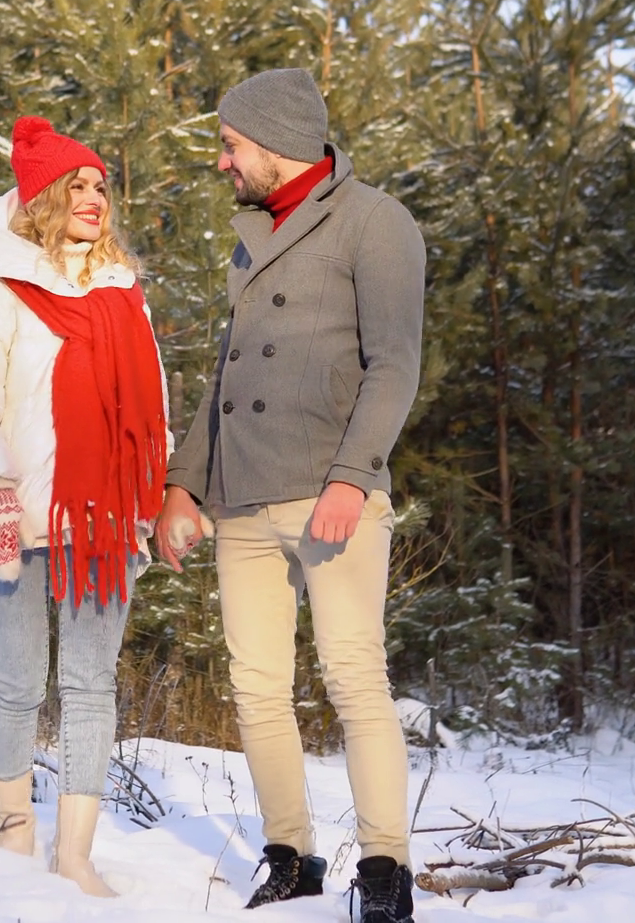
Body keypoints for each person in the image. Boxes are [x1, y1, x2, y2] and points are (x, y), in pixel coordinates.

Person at [155, 69, 425, 922]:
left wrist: (353, 476)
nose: (222, 161)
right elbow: (228, 375)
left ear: (275, 141)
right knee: (257, 686)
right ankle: (290, 856)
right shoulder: (255, 232)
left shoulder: (376, 221)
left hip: (329, 494)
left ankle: (385, 870)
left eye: (231, 145)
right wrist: (184, 485)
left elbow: (394, 366)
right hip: (241, 497)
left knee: (354, 677)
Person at [0, 115, 171, 898]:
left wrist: (152, 497)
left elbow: (152, 408)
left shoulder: (122, 294)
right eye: (77, 185)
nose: (95, 197)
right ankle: (13, 837)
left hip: (102, 524)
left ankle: (75, 856)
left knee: (92, 684)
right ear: (41, 198)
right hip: (12, 517)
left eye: (101, 185)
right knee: (18, 682)